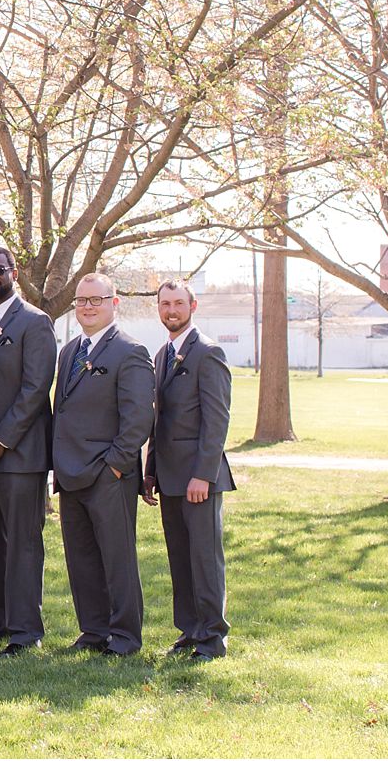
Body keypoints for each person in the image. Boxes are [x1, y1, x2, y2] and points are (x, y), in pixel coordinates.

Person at [52, 272, 154, 657]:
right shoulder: (69, 352)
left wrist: (114, 466)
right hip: (70, 472)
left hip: (108, 474)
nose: (88, 307)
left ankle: (125, 636)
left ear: (114, 303)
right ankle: (93, 630)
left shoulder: (130, 350)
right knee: (81, 557)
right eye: (81, 301)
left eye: (96, 300)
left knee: (117, 557)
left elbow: (139, 418)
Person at [0, 245, 56, 656]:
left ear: (14, 273)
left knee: (21, 543)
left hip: (19, 455)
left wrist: (1, 440)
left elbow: (35, 388)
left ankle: (25, 629)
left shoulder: (35, 323)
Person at [143, 279, 235, 662]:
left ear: (193, 306)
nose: (171, 310)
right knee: (179, 558)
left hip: (199, 478)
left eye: (178, 303)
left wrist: (204, 474)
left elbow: (217, 420)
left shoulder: (208, 352)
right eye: (165, 304)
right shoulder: (163, 354)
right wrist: (150, 472)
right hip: (169, 476)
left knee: (203, 558)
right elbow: (158, 420)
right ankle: (190, 630)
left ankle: (213, 638)